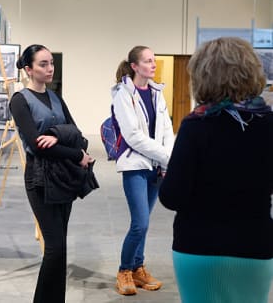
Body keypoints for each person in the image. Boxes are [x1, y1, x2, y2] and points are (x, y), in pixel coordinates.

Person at [159, 37, 273, 303]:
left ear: (202, 76)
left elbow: (171, 197)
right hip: (254, 245)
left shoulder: (196, 125)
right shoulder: (268, 123)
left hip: (199, 246)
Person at [9, 44, 97, 303]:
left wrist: (60, 138)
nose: (49, 69)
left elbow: (78, 136)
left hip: (64, 177)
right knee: (54, 248)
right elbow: (38, 145)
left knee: (61, 248)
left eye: (51, 63)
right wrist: (77, 155)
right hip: (39, 178)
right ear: (28, 69)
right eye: (43, 64)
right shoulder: (20, 100)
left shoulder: (57, 98)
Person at [111, 46, 174, 295]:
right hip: (135, 166)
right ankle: (124, 271)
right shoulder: (122, 94)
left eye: (154, 60)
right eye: (148, 61)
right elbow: (134, 136)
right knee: (140, 222)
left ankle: (138, 269)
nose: (153, 64)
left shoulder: (158, 93)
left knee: (144, 224)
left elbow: (167, 129)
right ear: (134, 66)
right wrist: (166, 156)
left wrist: (166, 160)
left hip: (156, 167)